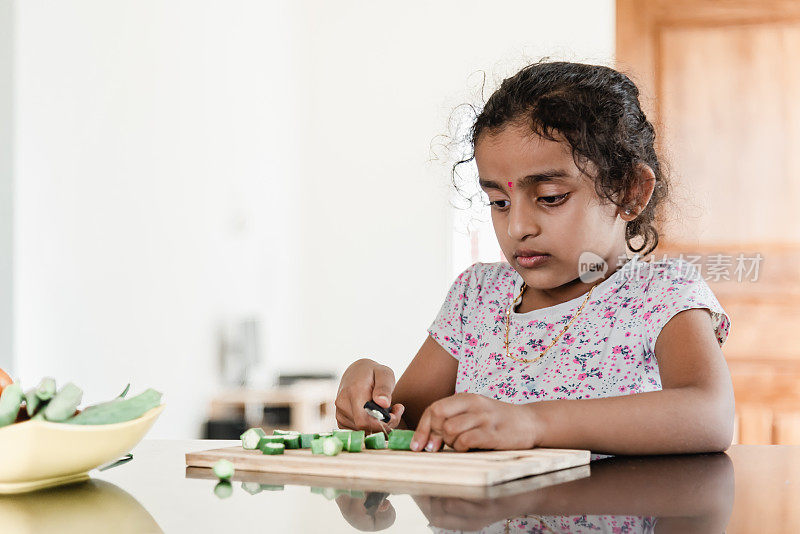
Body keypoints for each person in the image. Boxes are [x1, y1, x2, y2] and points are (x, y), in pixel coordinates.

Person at [335, 60, 734, 459]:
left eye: (549, 198)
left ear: (629, 192)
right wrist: (372, 402)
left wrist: (532, 423)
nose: (517, 228)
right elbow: (409, 427)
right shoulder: (476, 296)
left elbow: (710, 416)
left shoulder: (661, 293)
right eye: (500, 202)